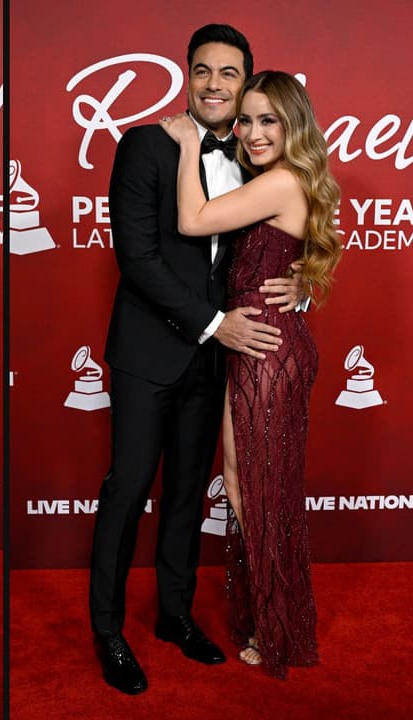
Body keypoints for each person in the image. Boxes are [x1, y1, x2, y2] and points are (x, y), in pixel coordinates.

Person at [89, 24, 306, 695]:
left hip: (218, 361)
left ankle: (176, 616)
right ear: (187, 73)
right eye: (204, 71)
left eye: (229, 74)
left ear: (247, 83)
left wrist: (300, 282)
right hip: (152, 350)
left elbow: (285, 233)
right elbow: (139, 259)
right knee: (128, 489)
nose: (215, 84)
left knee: (188, 493)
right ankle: (109, 632)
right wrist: (215, 324)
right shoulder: (144, 145)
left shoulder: (255, 156)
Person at [160, 69, 340, 679]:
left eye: (270, 120)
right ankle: (271, 614)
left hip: (267, 350)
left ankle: (278, 624)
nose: (255, 132)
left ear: (295, 126)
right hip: (262, 344)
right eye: (248, 120)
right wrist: (305, 292)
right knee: (245, 481)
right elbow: (298, 261)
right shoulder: (282, 181)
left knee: (261, 488)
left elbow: (192, 221)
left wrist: (187, 145)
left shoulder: (283, 180)